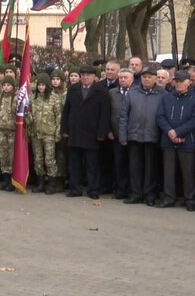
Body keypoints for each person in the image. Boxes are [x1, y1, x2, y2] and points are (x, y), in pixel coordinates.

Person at [60, 65, 110, 199]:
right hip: (75, 132)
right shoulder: (73, 89)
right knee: (75, 164)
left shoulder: (102, 91)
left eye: (88, 75)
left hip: (92, 134)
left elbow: (105, 115)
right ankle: (75, 188)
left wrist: (101, 133)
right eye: (83, 75)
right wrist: (64, 129)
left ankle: (93, 190)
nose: (85, 77)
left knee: (92, 165)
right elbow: (66, 111)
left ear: (94, 77)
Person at [155, 70, 195, 210]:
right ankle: (169, 198)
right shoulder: (166, 98)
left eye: (182, 81)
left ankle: (190, 200)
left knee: (188, 173)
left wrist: (178, 132)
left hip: (187, 141)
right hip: (168, 140)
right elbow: (160, 116)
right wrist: (170, 132)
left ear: (189, 83)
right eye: (177, 81)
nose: (179, 84)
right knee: (168, 172)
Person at [119, 66, 164, 206]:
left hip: (152, 137)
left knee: (150, 168)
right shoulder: (132, 93)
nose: (146, 79)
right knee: (135, 167)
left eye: (150, 77)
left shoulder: (162, 95)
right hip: (134, 136)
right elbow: (123, 116)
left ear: (155, 78)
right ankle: (135, 193)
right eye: (144, 77)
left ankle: (149, 195)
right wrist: (123, 136)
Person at [30, 73, 61, 193]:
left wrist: (58, 133)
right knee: (38, 159)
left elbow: (58, 117)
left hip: (49, 134)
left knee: (49, 160)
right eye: (39, 85)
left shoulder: (54, 98)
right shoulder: (33, 98)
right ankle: (40, 182)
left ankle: (52, 183)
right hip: (36, 133)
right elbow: (30, 113)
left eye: (43, 85)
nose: (41, 87)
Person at [106, 68, 134, 199]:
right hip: (116, 134)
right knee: (118, 163)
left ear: (132, 79)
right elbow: (107, 113)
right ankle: (120, 189)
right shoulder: (112, 93)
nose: (123, 80)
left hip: (133, 135)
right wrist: (109, 130)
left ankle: (131, 189)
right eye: (121, 77)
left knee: (132, 164)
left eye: (126, 77)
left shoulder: (136, 93)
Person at [0, 76, 17, 192]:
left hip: (12, 131)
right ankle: (6, 179)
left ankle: (13, 181)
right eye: (4, 85)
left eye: (8, 85)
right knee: (3, 156)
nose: (6, 87)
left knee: (12, 156)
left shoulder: (17, 98)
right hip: (0, 130)